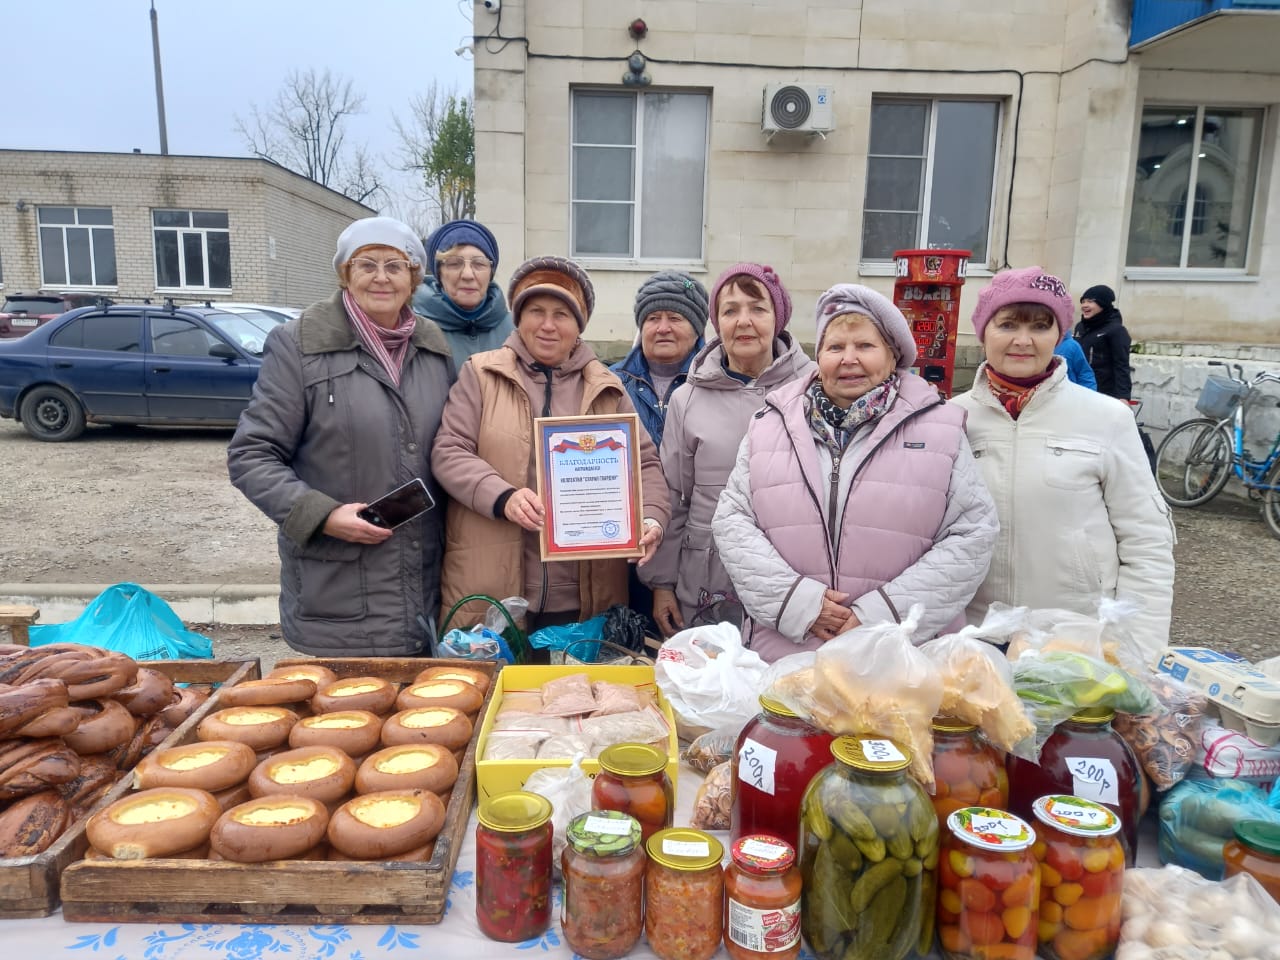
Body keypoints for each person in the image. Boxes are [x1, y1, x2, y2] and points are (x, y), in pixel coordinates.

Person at [712, 284, 998, 662]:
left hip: (905, 658)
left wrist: (881, 616)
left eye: (865, 346)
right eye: (835, 347)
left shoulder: (940, 427)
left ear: (893, 356)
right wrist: (797, 604)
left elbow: (972, 533)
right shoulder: (768, 424)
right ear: (819, 357)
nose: (849, 359)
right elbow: (732, 520)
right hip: (788, 656)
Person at [227, 216, 455, 657]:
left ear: (413, 278)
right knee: (344, 702)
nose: (381, 277)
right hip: (340, 594)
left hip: (425, 586)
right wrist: (323, 515)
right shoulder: (300, 345)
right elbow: (252, 455)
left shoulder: (433, 347)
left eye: (395, 265)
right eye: (366, 264)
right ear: (345, 273)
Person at [431, 256, 670, 631]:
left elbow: (645, 464)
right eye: (536, 311)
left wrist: (652, 517)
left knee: (576, 671)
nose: (547, 325)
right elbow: (449, 450)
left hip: (584, 594)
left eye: (561, 314)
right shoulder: (481, 373)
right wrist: (503, 496)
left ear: (579, 325)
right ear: (518, 318)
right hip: (494, 586)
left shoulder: (606, 386)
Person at [953, 267, 1175, 661]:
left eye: (1040, 326)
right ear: (983, 332)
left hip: (1075, 642)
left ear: (1060, 335)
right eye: (1007, 324)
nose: (1023, 340)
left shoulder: (1106, 418)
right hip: (975, 638)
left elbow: (1146, 541)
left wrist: (1139, 653)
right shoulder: (952, 419)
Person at [641, 263, 814, 637]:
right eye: (730, 310)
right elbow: (673, 494)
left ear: (778, 318)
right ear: (717, 323)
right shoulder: (688, 398)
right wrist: (662, 583)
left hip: (793, 577)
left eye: (758, 308)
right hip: (706, 577)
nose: (743, 321)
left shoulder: (813, 388)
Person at [610, 271, 708, 450]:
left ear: (697, 330)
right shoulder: (611, 384)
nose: (663, 328)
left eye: (674, 318)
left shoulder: (717, 383)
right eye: (653, 318)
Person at [412, 219, 513, 370]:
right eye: (454, 263)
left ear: (490, 273)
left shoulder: (517, 330)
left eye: (479, 264)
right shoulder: (411, 331)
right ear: (439, 273)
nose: (467, 275)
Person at [1075, 284, 1131, 399]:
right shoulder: (1080, 327)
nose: (1085, 305)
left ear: (1103, 304)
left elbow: (1121, 366)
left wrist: (1123, 397)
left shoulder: (1116, 330)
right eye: (1083, 301)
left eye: (1090, 301)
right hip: (1079, 388)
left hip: (1103, 393)